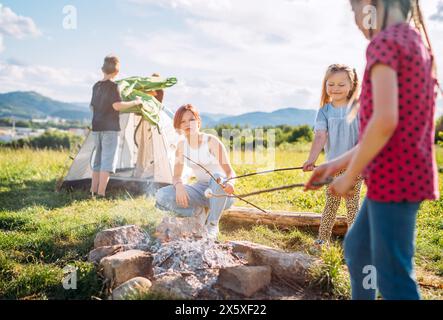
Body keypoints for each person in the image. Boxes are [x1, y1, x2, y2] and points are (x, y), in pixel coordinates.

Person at [305, 0, 440, 300]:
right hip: (400, 176)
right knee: (358, 249)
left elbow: (384, 121)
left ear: (369, 5)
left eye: (354, 11)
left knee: (393, 274)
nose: (356, 20)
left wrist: (348, 176)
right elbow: (388, 128)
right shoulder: (413, 42)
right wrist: (334, 164)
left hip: (394, 179)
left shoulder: (384, 44)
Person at [155, 104, 236, 239]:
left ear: (198, 122)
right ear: (178, 126)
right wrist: (179, 186)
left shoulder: (211, 141)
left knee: (217, 177)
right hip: (201, 190)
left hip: (221, 191)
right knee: (161, 196)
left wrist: (231, 183)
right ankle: (198, 212)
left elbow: (229, 172)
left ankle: (212, 224)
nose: (188, 124)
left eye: (191, 120)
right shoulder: (181, 147)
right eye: (183, 121)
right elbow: (176, 176)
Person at [303, 64, 362, 244]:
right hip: (332, 166)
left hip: (355, 166)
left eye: (341, 84)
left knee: (352, 206)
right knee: (331, 204)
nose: (335, 88)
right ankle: (322, 241)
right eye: (331, 84)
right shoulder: (324, 111)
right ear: (325, 85)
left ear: (351, 85)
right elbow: (320, 136)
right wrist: (311, 160)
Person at [90, 55, 142, 198]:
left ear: (103, 69)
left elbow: (92, 107)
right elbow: (117, 105)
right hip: (110, 129)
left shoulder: (96, 86)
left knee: (97, 161)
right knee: (107, 162)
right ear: (117, 72)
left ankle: (93, 191)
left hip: (96, 127)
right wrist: (135, 102)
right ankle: (101, 194)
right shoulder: (114, 87)